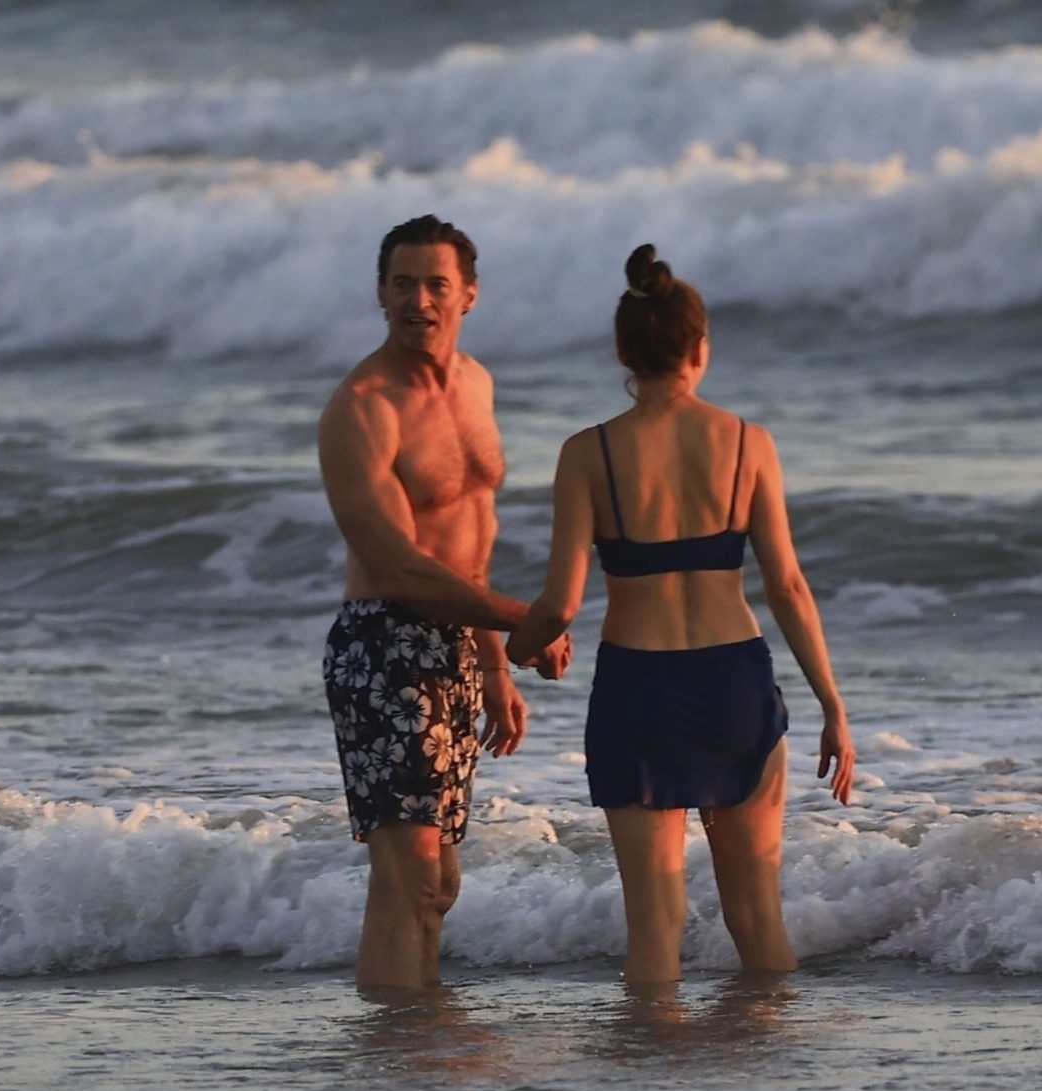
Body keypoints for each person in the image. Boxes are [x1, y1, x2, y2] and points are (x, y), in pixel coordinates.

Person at [506, 244, 854, 982]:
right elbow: (789, 587)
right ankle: (769, 1055)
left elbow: (560, 603)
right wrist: (831, 703)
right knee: (758, 917)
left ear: (623, 352)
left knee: (654, 927)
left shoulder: (587, 454)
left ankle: (651, 1060)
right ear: (701, 348)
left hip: (639, 690)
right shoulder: (748, 444)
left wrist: (516, 650)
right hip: (735, 684)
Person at [319, 214, 571, 991]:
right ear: (381, 294)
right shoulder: (363, 406)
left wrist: (493, 662)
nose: (419, 300)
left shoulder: (476, 385)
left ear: (469, 294)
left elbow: (471, 537)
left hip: (457, 644)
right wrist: (525, 620)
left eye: (436, 285)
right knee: (410, 879)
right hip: (385, 645)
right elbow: (398, 567)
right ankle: (398, 1040)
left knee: (440, 887)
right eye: (402, 284)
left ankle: (414, 1033)